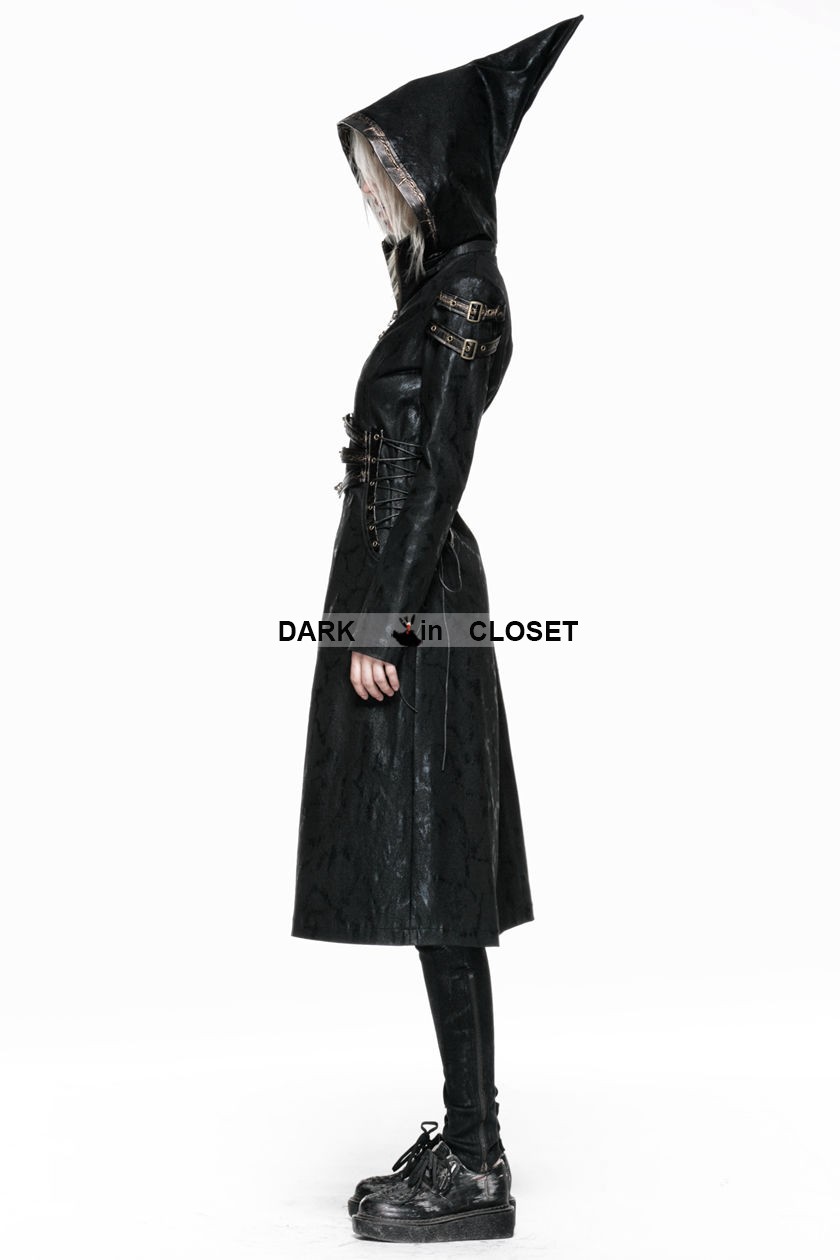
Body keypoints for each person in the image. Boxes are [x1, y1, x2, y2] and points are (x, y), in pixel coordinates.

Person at [291, 15, 585, 1244]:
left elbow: (435, 464)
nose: (386, 192)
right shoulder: (437, 286)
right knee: (428, 871)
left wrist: (382, 618)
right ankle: (470, 1144)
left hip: (413, 602)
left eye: (399, 168)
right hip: (399, 587)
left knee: (442, 873)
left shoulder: (465, 289)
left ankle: (476, 1162)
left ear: (443, 165)